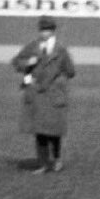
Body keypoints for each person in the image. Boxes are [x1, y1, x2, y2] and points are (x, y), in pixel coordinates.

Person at [11, 16, 76, 173]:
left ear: (53, 31)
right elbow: (16, 61)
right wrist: (28, 63)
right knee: (40, 131)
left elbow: (71, 71)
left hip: (53, 95)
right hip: (36, 94)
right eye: (42, 30)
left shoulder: (61, 50)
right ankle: (43, 163)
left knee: (53, 130)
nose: (44, 33)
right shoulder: (33, 46)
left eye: (47, 30)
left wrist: (59, 80)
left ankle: (57, 158)